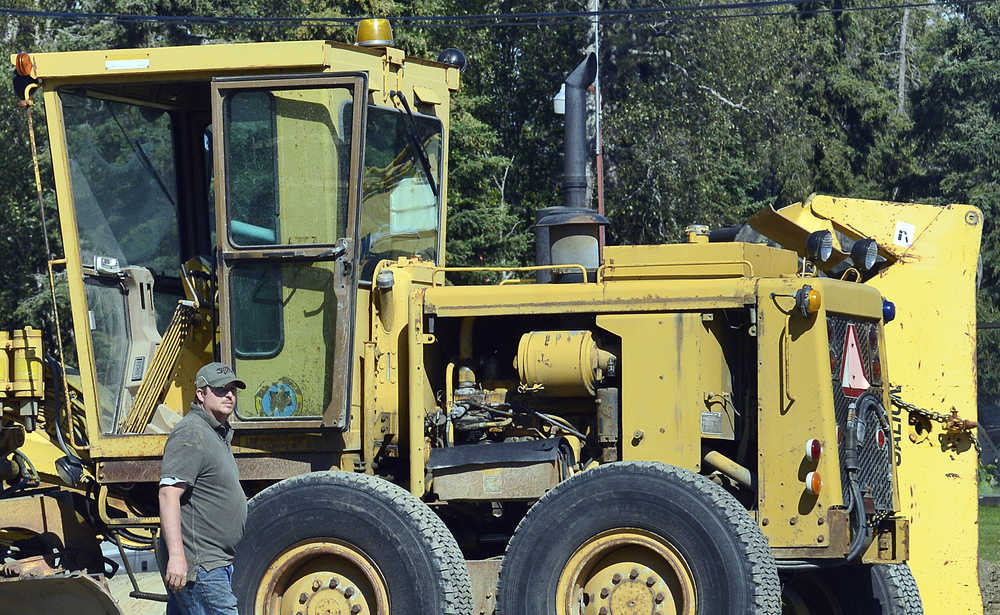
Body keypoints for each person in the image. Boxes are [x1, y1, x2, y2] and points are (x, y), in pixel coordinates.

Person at [158, 362, 248, 615]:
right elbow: (168, 494)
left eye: (233, 389)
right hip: (201, 566)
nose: (229, 395)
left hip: (213, 563)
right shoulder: (191, 433)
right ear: (201, 394)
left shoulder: (215, 434)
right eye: (221, 390)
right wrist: (177, 556)